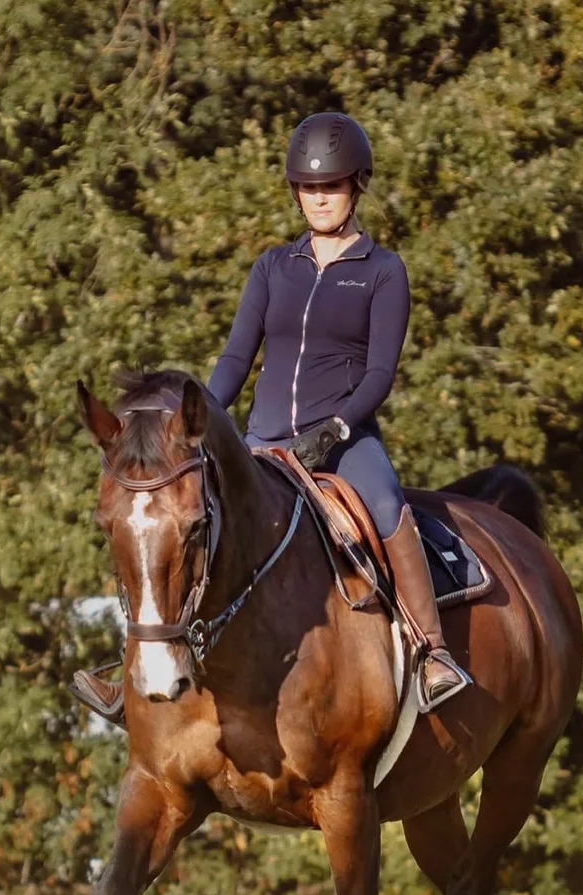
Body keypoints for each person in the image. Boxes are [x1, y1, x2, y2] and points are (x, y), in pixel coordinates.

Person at [206, 111, 470, 710]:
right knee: (183, 513)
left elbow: (380, 373)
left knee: (386, 504)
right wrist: (200, 414)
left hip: (345, 441)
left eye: (331, 185)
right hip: (263, 440)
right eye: (308, 187)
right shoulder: (272, 267)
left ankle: (432, 652)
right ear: (295, 192)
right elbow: (235, 357)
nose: (319, 198)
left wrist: (339, 429)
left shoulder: (383, 272)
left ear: (357, 186)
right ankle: (138, 668)